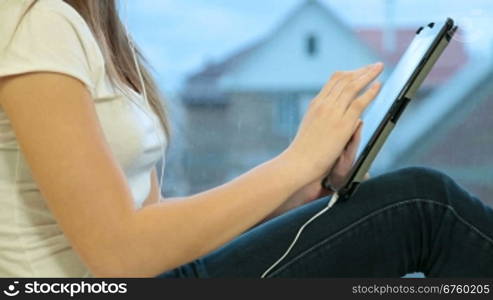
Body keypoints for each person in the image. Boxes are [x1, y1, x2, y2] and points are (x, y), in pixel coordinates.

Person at [0, 0, 491, 278]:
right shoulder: (35, 23)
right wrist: (296, 161)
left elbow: (150, 219)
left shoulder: (96, 30)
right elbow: (119, 253)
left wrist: (297, 193)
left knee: (417, 204)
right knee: (424, 207)